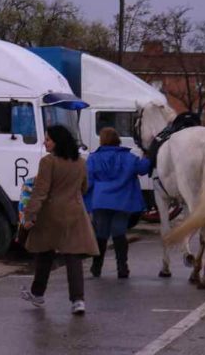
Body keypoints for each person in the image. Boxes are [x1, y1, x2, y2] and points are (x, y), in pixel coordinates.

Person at [19, 125, 98, 315]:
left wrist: (29, 216)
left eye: (47, 139)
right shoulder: (79, 162)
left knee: (45, 253)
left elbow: (40, 192)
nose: (44, 142)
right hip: (75, 213)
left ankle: (38, 294)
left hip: (51, 213)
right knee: (73, 256)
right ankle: (78, 300)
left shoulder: (48, 162)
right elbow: (85, 187)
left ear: (57, 142)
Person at [84, 127, 152, 279]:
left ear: (102, 140)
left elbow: (87, 181)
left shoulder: (93, 158)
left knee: (101, 234)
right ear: (118, 140)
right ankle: (122, 267)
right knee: (119, 233)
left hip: (100, 201)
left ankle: (96, 267)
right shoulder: (129, 158)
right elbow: (142, 169)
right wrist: (148, 156)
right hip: (122, 201)